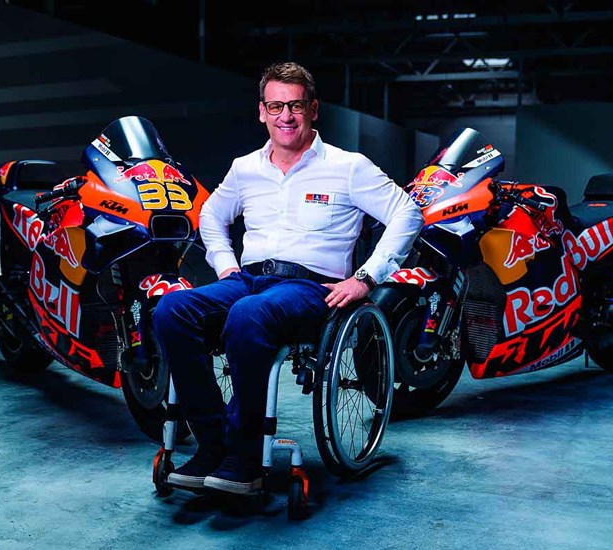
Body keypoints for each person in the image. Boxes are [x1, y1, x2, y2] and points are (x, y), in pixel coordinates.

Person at [152, 62, 423, 495]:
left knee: (248, 314)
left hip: (310, 289)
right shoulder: (245, 168)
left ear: (313, 109)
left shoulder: (348, 166)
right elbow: (211, 215)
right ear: (262, 111)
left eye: (295, 105)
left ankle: (244, 458)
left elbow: (407, 213)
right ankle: (213, 444)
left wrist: (366, 278)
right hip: (248, 280)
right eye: (276, 106)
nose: (286, 116)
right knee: (172, 309)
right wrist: (225, 265)